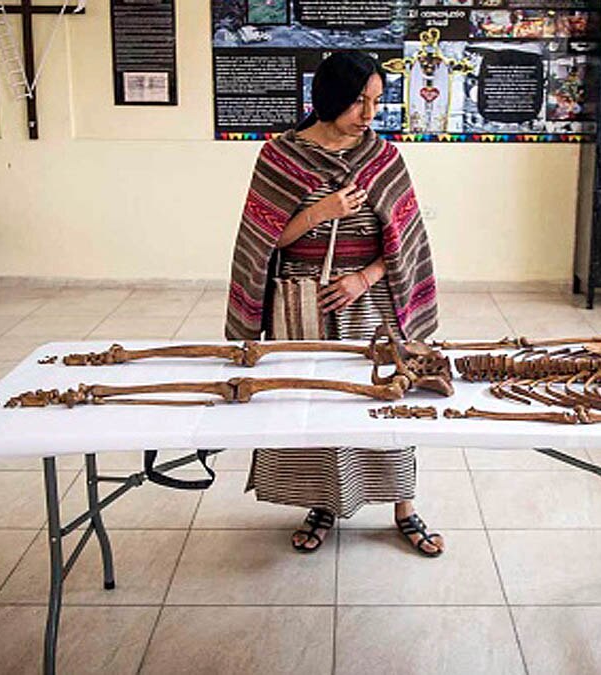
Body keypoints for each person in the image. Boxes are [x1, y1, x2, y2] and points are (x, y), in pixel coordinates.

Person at [225, 52, 444, 557]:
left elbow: (406, 240)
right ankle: (323, 502)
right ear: (328, 98)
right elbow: (265, 240)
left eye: (376, 101)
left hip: (371, 305)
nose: (369, 114)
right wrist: (322, 211)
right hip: (304, 305)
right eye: (357, 102)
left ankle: (404, 506)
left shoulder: (383, 158)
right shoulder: (280, 158)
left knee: (387, 402)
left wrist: (363, 278)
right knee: (315, 406)